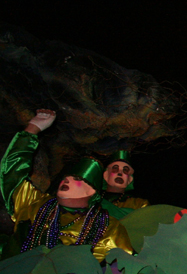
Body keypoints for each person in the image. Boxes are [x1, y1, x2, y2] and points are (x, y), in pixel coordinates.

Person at [1, 109, 133, 262]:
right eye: (66, 178)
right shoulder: (34, 202)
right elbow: (12, 173)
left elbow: (119, 268)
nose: (66, 181)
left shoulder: (108, 227)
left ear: (91, 191)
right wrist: (33, 128)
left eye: (76, 179)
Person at [100, 150, 150, 219]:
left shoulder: (139, 204)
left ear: (129, 179)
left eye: (125, 170)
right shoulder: (93, 201)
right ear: (106, 175)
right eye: (115, 168)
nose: (120, 173)